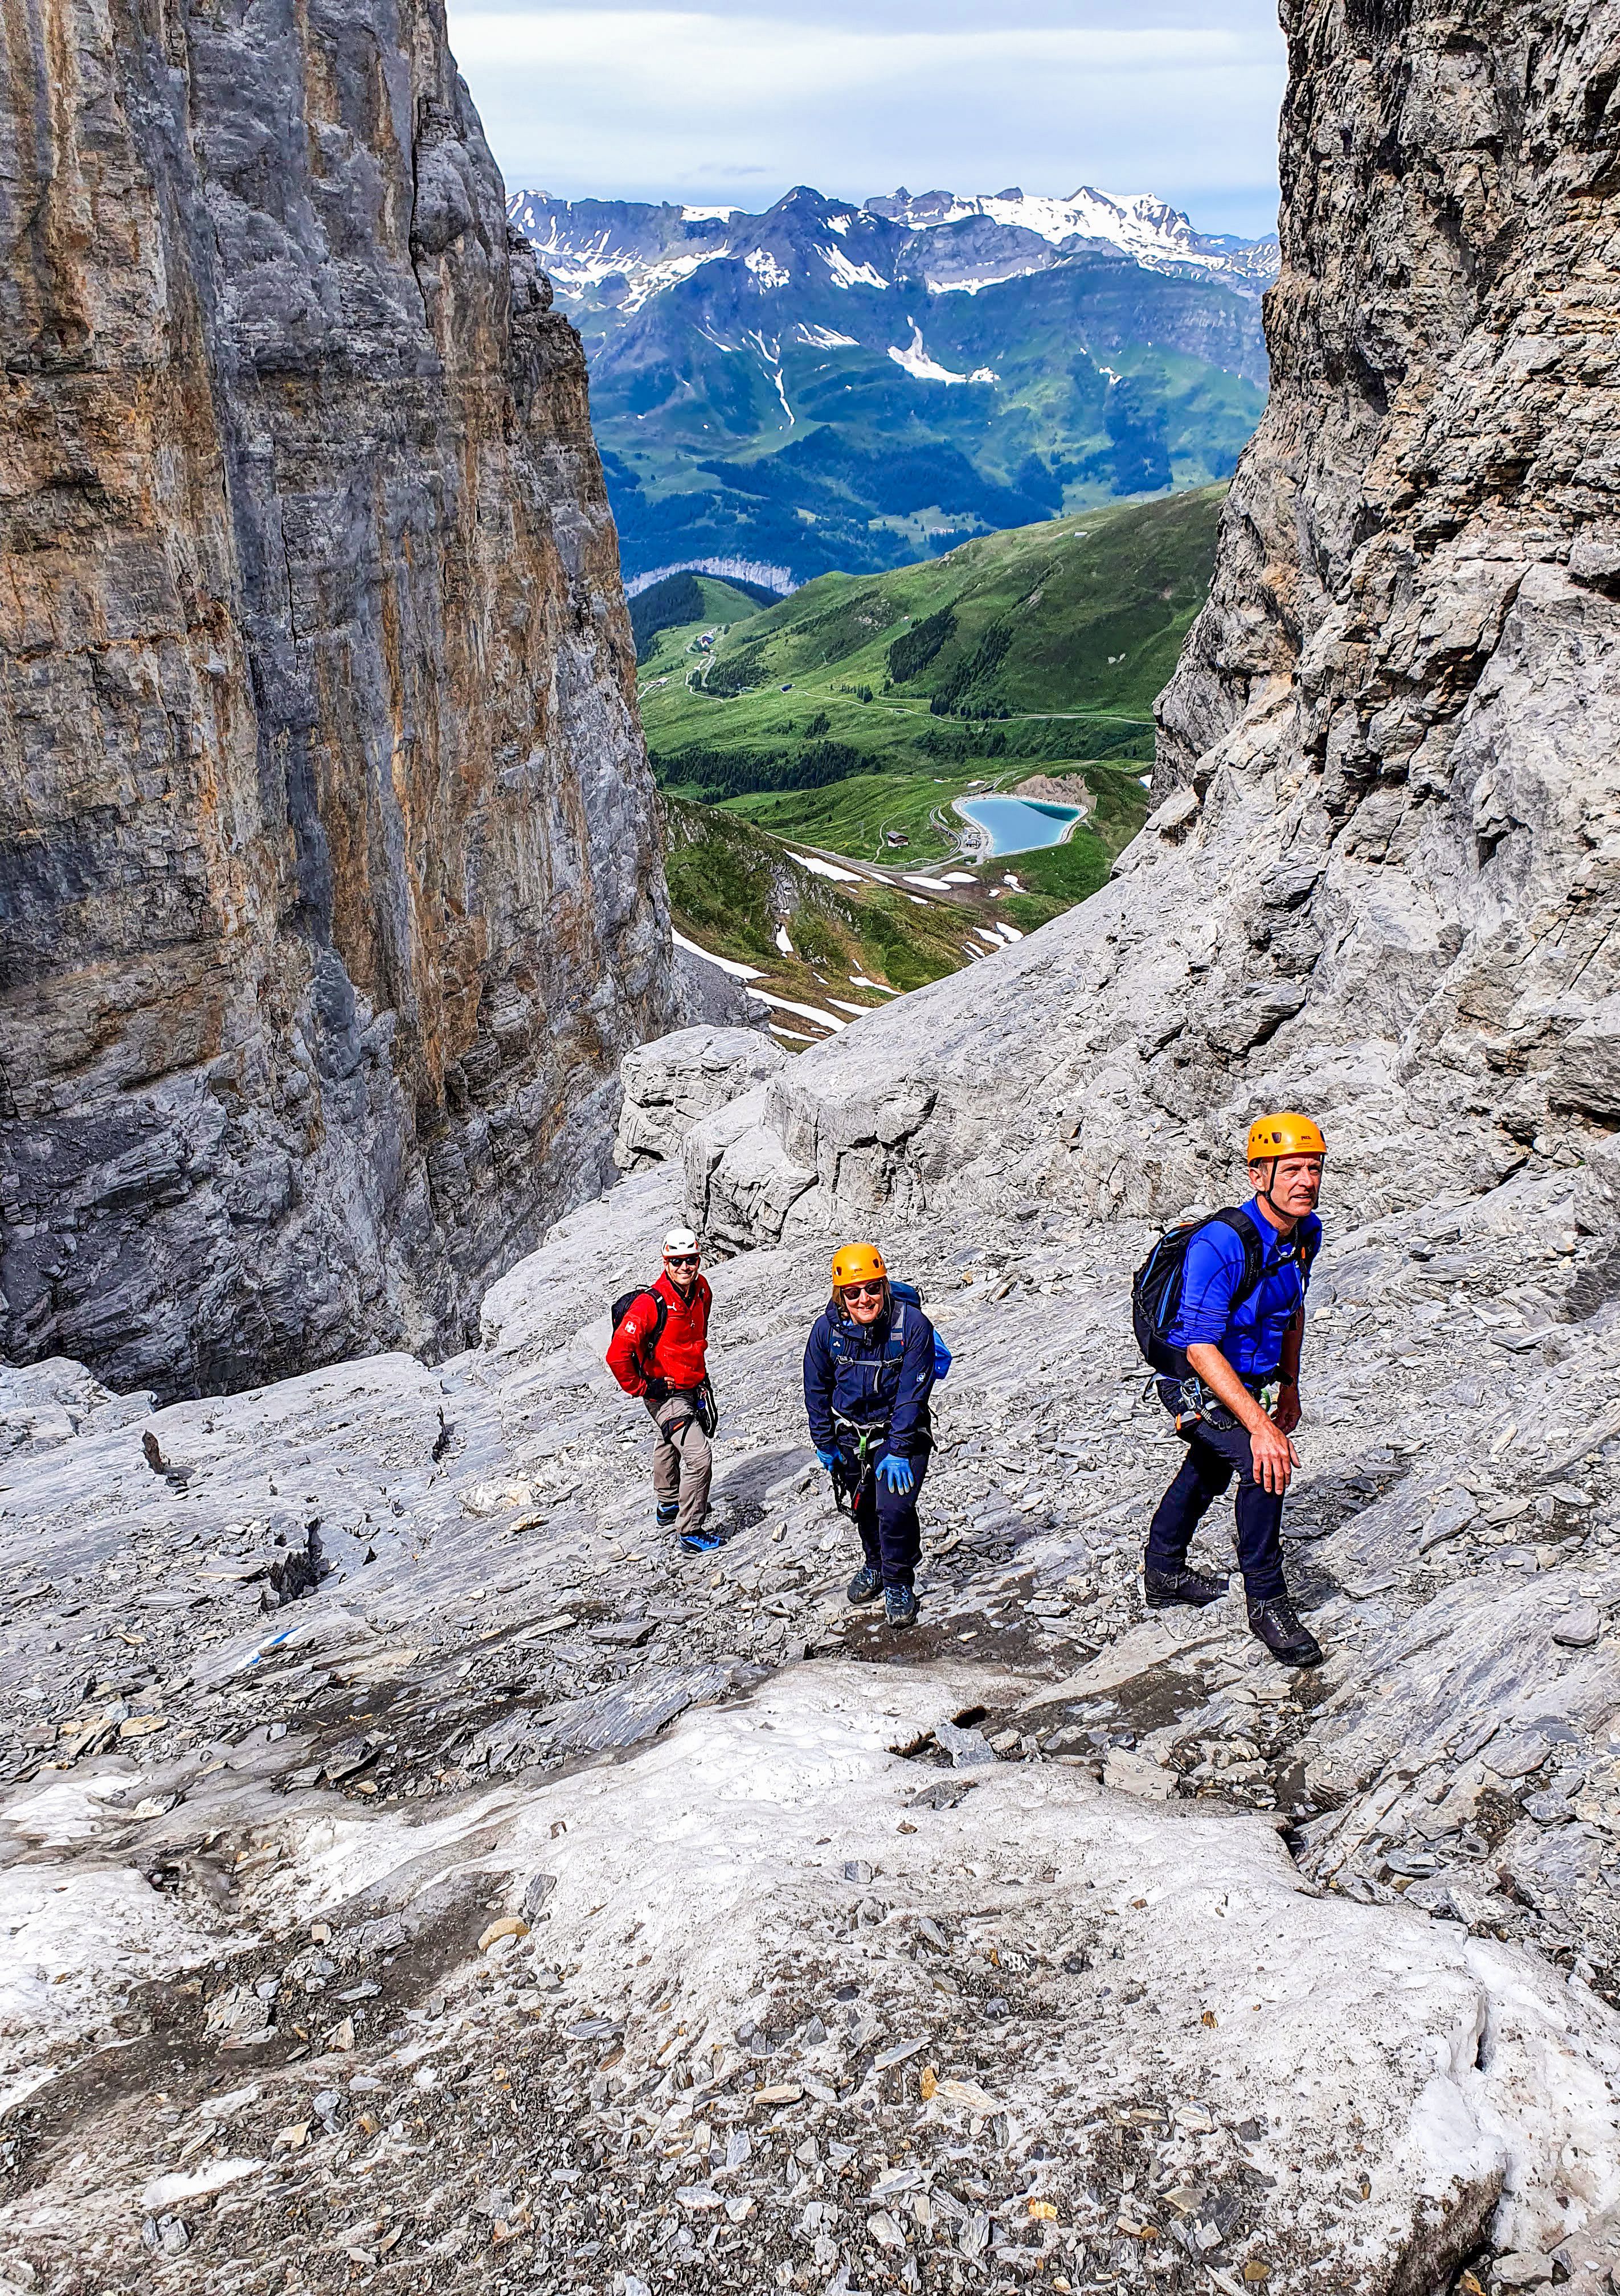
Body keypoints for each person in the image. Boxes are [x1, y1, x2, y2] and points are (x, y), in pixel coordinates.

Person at [1142, 1113, 1327, 1667]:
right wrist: (1263, 1427)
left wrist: (1289, 1386)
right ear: (1257, 1176)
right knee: (1263, 1464)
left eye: (1314, 1168)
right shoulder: (1220, 1244)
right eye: (1291, 1170)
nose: (1306, 1181)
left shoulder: (1304, 1234)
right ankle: (1267, 1603)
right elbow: (1200, 1347)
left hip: (1249, 1378)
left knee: (1207, 1468)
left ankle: (1163, 1572)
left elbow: (1292, 1312)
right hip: (1194, 1379)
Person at [803, 1242, 938, 1631]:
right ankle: (876, 1564)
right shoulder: (827, 1332)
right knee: (864, 1507)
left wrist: (899, 1449)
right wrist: (825, 1442)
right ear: (840, 1296)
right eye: (853, 1292)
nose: (864, 1299)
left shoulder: (912, 1326)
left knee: (894, 1509)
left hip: (899, 1432)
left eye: (873, 1288)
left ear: (885, 1286)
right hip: (849, 1436)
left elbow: (913, 1392)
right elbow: (816, 1387)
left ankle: (898, 1581)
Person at [606, 1226, 718, 1553]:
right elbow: (617, 1354)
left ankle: (669, 1504)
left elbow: (695, 1336)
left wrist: (698, 1376)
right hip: (665, 1393)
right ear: (666, 1262)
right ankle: (690, 1530)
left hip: (691, 1384)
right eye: (677, 1261)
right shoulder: (649, 1305)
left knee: (667, 1440)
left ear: (699, 1260)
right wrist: (643, 1387)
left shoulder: (701, 1290)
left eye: (691, 1260)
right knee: (699, 1457)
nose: (685, 1267)